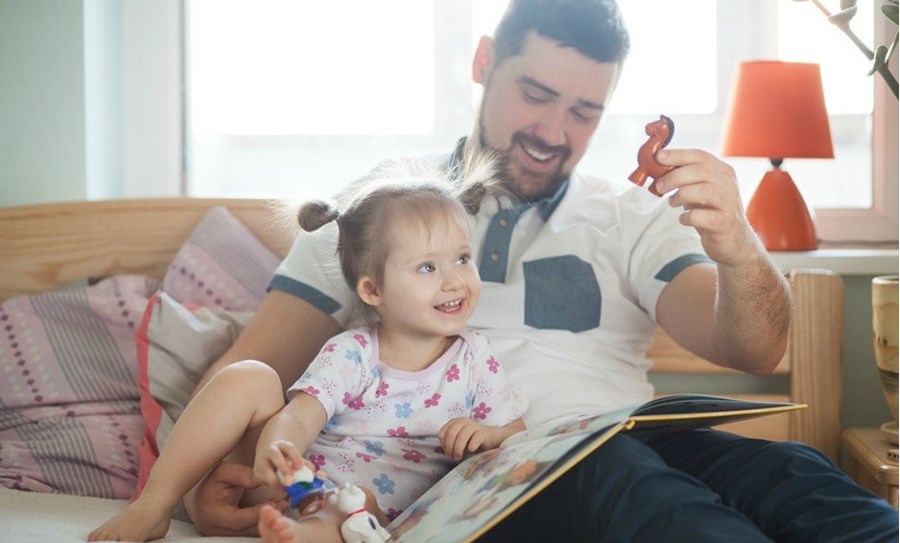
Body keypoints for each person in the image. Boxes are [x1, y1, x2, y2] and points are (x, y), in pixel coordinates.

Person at [184, 1, 899, 541]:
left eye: (585, 111)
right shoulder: (377, 216)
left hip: (633, 438)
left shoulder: (629, 214)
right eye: (536, 94)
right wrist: (192, 487)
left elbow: (755, 349)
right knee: (621, 480)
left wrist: (738, 244)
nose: (555, 132)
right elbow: (252, 372)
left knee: (795, 474)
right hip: (487, 476)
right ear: (484, 60)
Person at [88, 158, 526, 543]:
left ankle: (302, 536)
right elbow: (300, 414)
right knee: (250, 376)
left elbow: (516, 433)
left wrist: (486, 434)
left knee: (355, 505)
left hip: (372, 512)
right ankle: (153, 504)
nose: (454, 281)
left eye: (463, 259)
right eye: (428, 267)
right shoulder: (354, 352)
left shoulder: (474, 357)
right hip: (297, 482)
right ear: (372, 289)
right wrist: (279, 449)